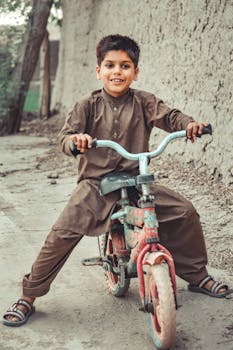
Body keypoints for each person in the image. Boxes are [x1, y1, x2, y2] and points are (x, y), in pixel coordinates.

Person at [2, 34, 232, 327]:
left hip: (135, 182)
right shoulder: (87, 104)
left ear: (136, 72)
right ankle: (29, 296)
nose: (117, 72)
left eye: (125, 66)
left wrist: (189, 125)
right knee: (63, 232)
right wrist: (76, 140)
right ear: (99, 71)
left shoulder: (144, 101)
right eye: (109, 65)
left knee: (184, 212)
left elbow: (171, 116)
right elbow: (64, 137)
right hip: (95, 186)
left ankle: (198, 276)